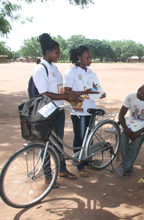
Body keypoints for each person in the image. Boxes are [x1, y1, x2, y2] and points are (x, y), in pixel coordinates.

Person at [32, 33, 86, 187]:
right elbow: (44, 94)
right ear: (47, 52)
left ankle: (62, 169)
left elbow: (57, 89)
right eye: (56, 52)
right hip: (47, 112)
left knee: (58, 142)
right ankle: (48, 176)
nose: (58, 55)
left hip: (58, 110)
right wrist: (67, 96)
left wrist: (68, 98)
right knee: (47, 144)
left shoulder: (53, 66)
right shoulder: (40, 69)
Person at [64, 45, 106, 178]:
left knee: (89, 137)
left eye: (90, 58)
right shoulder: (71, 72)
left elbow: (94, 88)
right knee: (80, 138)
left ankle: (87, 159)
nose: (89, 60)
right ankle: (79, 165)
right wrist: (84, 92)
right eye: (87, 58)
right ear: (78, 58)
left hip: (90, 109)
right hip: (79, 111)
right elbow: (67, 92)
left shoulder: (89, 72)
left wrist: (100, 94)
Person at [116, 83, 144, 178]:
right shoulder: (131, 97)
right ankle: (128, 167)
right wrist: (126, 129)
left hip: (143, 128)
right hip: (129, 126)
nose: (139, 93)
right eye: (139, 90)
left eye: (142, 93)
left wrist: (139, 132)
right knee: (123, 139)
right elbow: (121, 115)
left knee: (137, 142)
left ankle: (124, 167)